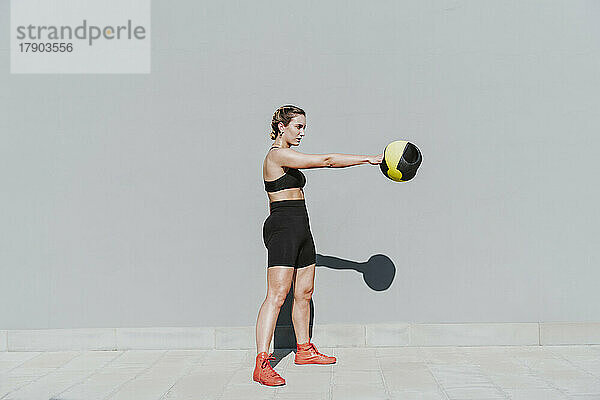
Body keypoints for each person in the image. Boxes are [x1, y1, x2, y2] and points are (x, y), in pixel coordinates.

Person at [253, 105, 383, 386]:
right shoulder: (277, 155)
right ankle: (262, 362)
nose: (302, 132)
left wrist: (357, 267)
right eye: (298, 126)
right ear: (281, 127)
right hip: (283, 227)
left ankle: (304, 350)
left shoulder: (289, 155)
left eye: (304, 127)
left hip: (301, 225)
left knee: (305, 291)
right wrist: (368, 159)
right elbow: (326, 160)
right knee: (277, 295)